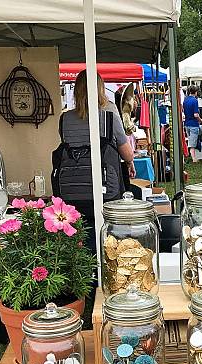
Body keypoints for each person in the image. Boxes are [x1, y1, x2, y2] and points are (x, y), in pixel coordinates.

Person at [57, 70, 135, 251]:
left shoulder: (64, 119)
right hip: (105, 188)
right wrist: (130, 163)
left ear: (76, 91)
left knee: (79, 237)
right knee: (107, 237)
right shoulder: (109, 117)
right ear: (100, 89)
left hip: (72, 189)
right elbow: (128, 155)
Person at [183, 85, 202, 163]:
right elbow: (196, 114)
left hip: (187, 123)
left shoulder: (185, 100)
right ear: (195, 92)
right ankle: (194, 158)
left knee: (190, 139)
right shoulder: (195, 101)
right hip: (193, 124)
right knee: (192, 143)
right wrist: (201, 121)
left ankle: (191, 155)